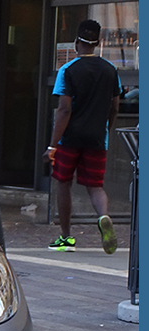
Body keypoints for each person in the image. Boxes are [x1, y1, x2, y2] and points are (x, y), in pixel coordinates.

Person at [44, 19, 121, 254]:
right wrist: (105, 130)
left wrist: (52, 146)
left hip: (69, 139)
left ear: (77, 42)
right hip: (97, 138)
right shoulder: (111, 70)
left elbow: (64, 110)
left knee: (63, 183)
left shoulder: (67, 70)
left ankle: (66, 238)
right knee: (95, 186)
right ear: (99, 43)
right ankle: (103, 217)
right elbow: (115, 106)